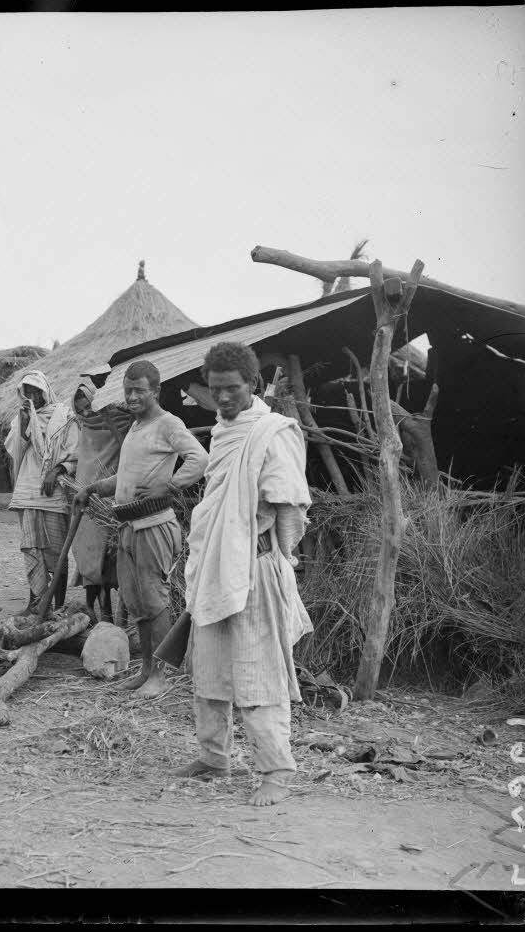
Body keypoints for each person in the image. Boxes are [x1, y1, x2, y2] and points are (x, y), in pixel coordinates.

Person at [168, 342, 314, 807]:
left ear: (253, 384)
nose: (224, 397)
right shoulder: (223, 432)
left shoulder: (273, 433)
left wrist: (275, 555)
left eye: (232, 388)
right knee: (209, 669)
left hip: (255, 569)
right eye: (216, 389)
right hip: (215, 566)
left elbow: (290, 507)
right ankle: (214, 758)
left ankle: (276, 771)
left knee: (258, 673)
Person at [75, 360, 208, 697]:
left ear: (156, 391)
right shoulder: (137, 427)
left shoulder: (168, 423)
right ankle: (147, 669)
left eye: (139, 391)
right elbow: (126, 478)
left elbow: (200, 459)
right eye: (128, 391)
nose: (132, 397)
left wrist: (170, 485)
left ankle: (160, 677)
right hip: (129, 524)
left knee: (155, 602)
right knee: (138, 604)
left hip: (154, 525)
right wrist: (94, 488)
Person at [4, 370, 79, 615]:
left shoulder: (64, 416)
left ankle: (58, 606)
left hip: (53, 491)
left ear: (46, 391)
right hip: (28, 489)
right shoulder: (20, 418)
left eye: (37, 391)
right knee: (32, 547)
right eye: (28, 392)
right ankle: (35, 603)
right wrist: (26, 423)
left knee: (57, 550)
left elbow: (74, 452)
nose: (33, 397)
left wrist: (56, 470)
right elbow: (16, 449)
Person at [68, 378, 133, 623]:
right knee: (88, 552)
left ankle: (111, 610)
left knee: (111, 555)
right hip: (86, 500)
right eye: (81, 410)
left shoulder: (118, 421)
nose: (86, 413)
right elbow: (83, 462)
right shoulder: (84, 427)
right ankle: (92, 606)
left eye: (88, 406)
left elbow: (126, 457)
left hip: (109, 498)